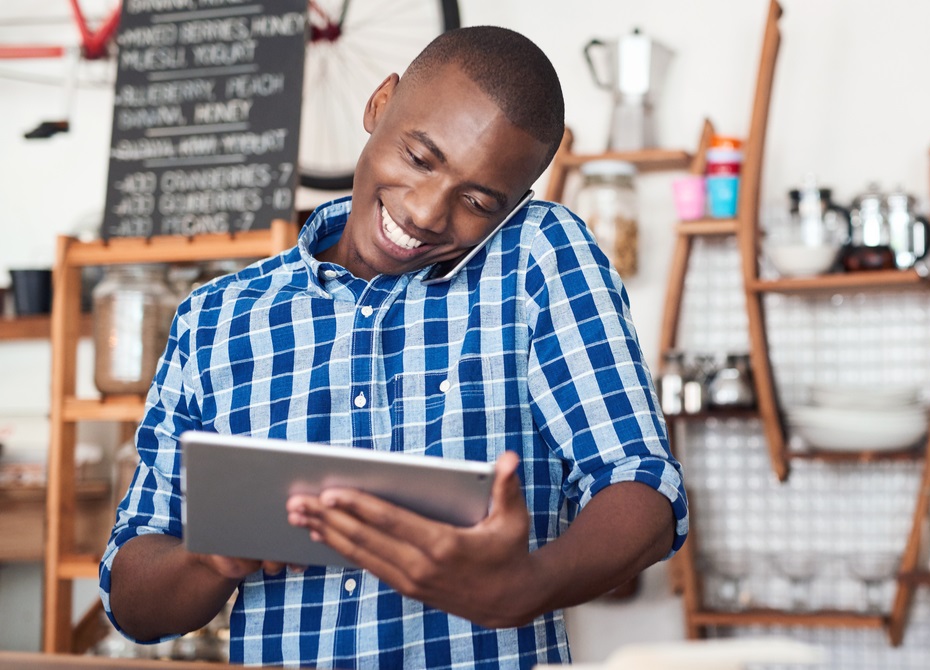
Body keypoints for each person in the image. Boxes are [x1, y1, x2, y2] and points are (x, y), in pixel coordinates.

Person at [98, 25, 688, 668]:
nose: (428, 212)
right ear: (380, 104)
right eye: (419, 158)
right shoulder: (215, 318)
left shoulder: (537, 257)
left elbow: (642, 488)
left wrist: (528, 586)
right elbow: (132, 597)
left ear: (514, 206)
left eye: (477, 200)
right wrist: (211, 557)